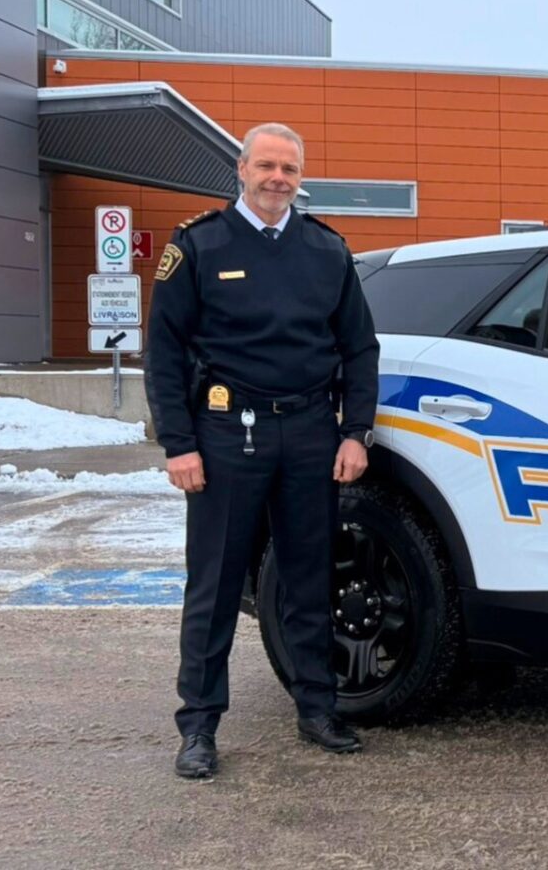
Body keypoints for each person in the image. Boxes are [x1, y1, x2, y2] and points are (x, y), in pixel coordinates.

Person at [146, 122, 380, 780]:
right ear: (241, 169)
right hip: (226, 433)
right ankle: (198, 725)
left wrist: (355, 431)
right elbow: (163, 352)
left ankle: (317, 707)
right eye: (267, 166)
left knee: (309, 577)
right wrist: (179, 445)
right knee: (215, 583)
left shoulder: (326, 250)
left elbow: (360, 348)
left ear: (301, 177)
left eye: (291, 168)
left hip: (309, 432)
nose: (279, 178)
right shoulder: (199, 245)